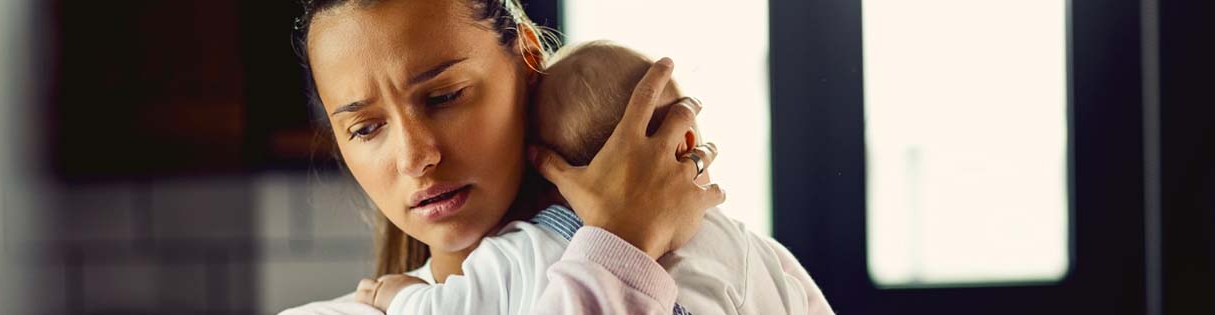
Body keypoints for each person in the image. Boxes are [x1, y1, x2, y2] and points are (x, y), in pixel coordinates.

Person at [277, 0, 735, 313]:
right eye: (366, 128)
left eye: (444, 97)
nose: (415, 157)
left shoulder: (726, 263)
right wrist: (621, 247)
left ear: (528, 59)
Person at [354, 41, 834, 315]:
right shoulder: (756, 249)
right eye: (366, 127)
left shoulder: (524, 250)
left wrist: (396, 297)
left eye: (445, 95)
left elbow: (445, 312)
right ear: (685, 143)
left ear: (541, 170)